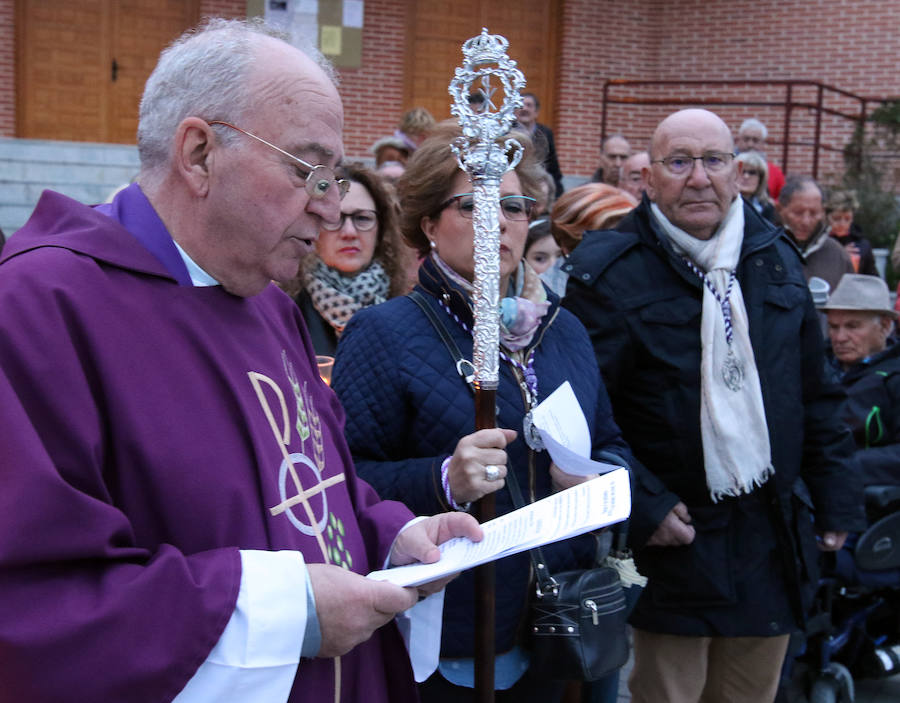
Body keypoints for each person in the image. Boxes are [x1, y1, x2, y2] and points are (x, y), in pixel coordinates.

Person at [0, 19, 484, 703]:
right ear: (199, 154)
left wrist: (392, 538)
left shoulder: (267, 303)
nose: (330, 210)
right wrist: (287, 613)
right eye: (308, 171)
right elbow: (34, 604)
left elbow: (315, 487)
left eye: (335, 177)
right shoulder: (39, 308)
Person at [563, 108, 865, 703]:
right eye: (679, 162)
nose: (699, 177)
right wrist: (644, 505)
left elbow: (816, 391)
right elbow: (580, 414)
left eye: (714, 160)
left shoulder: (774, 256)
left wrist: (836, 499)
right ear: (649, 178)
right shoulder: (610, 272)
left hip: (769, 538)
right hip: (677, 542)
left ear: (738, 173)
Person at [331, 122, 636, 702]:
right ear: (428, 223)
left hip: (557, 621)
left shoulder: (563, 328)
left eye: (514, 206)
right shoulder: (384, 333)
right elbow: (346, 482)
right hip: (449, 630)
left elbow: (612, 442)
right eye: (472, 204)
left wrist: (601, 479)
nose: (497, 221)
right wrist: (443, 478)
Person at [293, 162, 402, 355]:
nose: (349, 232)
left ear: (381, 229)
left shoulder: (408, 307)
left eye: (363, 218)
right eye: (335, 219)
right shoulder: (286, 309)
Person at [824, 274, 900, 487]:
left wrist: (838, 465)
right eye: (833, 327)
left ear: (885, 326)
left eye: (852, 326)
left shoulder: (894, 378)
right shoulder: (815, 366)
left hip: (866, 497)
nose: (840, 337)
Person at [777, 175, 854, 293]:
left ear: (823, 212)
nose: (806, 221)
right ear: (780, 209)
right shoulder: (763, 249)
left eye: (813, 213)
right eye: (798, 213)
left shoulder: (838, 255)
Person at [514, 92, 564, 197]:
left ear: (536, 112)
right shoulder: (506, 131)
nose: (524, 108)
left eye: (529, 105)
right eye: (521, 105)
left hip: (539, 186)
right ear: (514, 111)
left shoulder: (545, 133)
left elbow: (552, 165)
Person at [824, 188, 878, 276]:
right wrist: (839, 255)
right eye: (836, 218)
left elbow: (872, 277)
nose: (842, 224)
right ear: (827, 217)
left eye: (847, 219)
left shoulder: (862, 244)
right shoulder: (819, 242)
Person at [736, 117, 786, 200]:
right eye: (746, 139)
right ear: (738, 141)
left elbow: (781, 202)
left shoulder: (775, 173)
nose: (750, 145)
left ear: (763, 144)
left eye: (755, 140)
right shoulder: (728, 167)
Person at [736, 151, 776, 223]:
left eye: (752, 173)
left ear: (760, 179)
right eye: (742, 171)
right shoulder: (724, 204)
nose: (746, 176)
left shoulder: (767, 208)